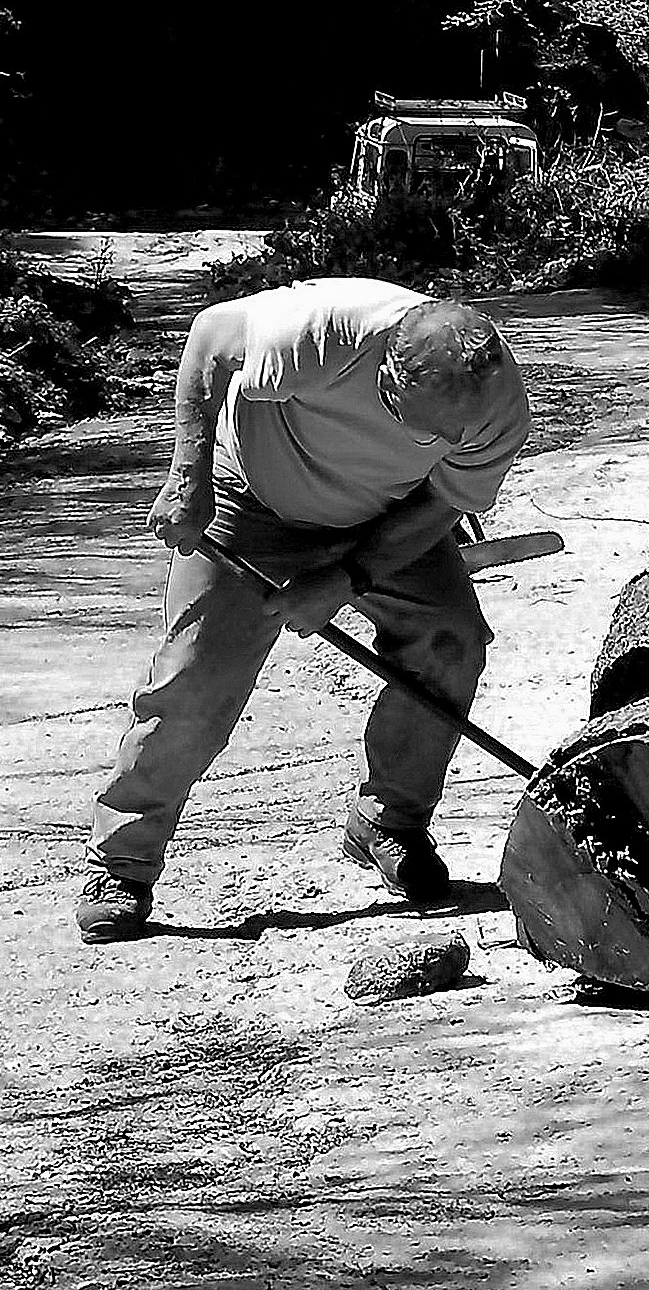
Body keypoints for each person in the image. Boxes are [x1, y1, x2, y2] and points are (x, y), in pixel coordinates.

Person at [76, 277, 531, 944]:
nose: (440, 436)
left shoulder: (497, 405)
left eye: (450, 430)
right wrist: (188, 475)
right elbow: (209, 339)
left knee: (450, 639)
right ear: (388, 371)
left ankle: (390, 821)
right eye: (422, 420)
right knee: (196, 680)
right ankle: (121, 862)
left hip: (380, 520)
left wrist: (349, 575)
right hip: (248, 497)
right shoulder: (322, 331)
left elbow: (443, 502)